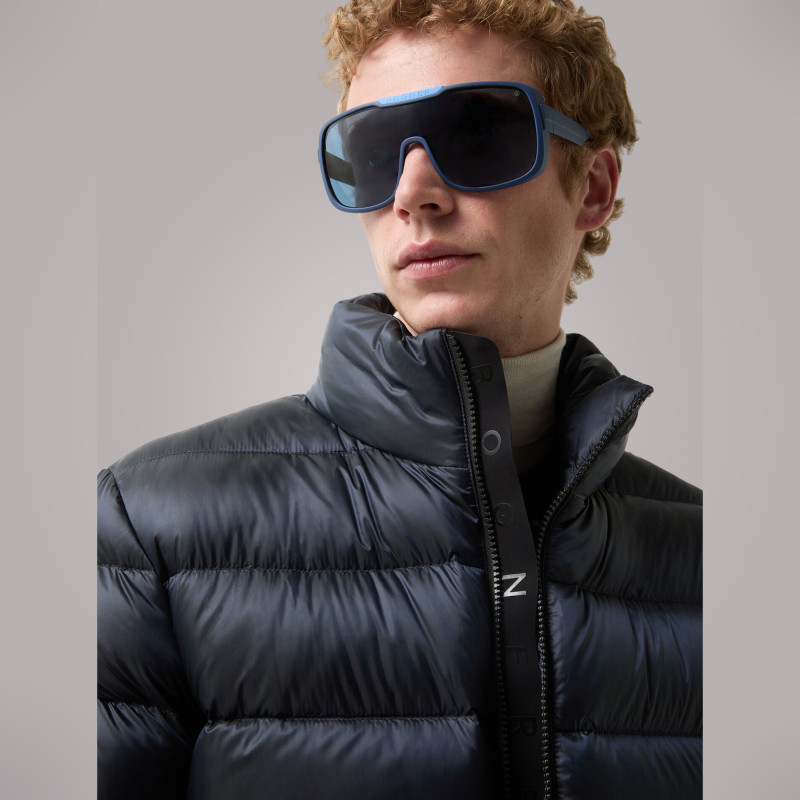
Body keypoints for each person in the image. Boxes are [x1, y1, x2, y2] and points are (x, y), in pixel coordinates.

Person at [97, 1, 701, 798]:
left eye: (477, 135)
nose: (415, 193)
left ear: (591, 187)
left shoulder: (710, 552)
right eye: (376, 152)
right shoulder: (149, 523)